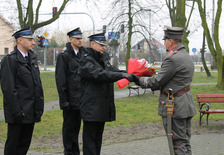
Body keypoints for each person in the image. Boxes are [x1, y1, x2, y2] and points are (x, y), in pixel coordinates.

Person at [135, 26, 196, 155]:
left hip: (175, 106)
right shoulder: (186, 55)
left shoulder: (172, 58)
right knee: (185, 141)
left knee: (177, 143)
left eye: (165, 40)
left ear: (171, 41)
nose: (164, 43)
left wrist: (138, 79)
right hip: (186, 104)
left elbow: (157, 82)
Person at [78, 33, 135, 155]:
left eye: (104, 45)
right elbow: (100, 75)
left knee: (97, 141)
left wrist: (130, 74)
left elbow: (113, 71)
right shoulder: (86, 60)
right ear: (92, 44)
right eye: (101, 45)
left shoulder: (102, 59)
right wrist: (121, 75)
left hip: (100, 107)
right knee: (90, 143)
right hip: (91, 107)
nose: (104, 48)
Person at [0, 26, 44, 155]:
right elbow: (8, 89)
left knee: (24, 146)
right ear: (19, 40)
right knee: (13, 147)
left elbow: (37, 85)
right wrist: (16, 111)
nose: (33, 42)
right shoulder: (10, 60)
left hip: (30, 111)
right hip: (18, 114)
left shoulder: (32, 59)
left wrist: (38, 108)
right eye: (30, 39)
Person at [55, 27, 86, 155]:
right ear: (70, 39)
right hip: (70, 100)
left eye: (80, 38)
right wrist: (64, 101)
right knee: (68, 129)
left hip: (81, 99)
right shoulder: (65, 56)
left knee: (76, 128)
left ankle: (75, 152)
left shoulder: (83, 54)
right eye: (77, 38)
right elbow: (61, 80)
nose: (80, 41)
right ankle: (69, 152)